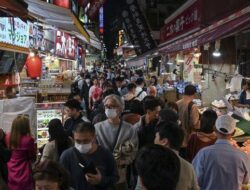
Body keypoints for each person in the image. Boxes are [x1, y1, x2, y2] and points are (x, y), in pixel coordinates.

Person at [135, 121, 199, 190]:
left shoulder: (149, 162)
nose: (154, 140)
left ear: (164, 141)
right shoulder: (188, 167)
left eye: (156, 137)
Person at [192, 115, 250, 190]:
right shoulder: (243, 157)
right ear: (233, 132)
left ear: (214, 129)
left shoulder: (203, 154)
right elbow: (245, 181)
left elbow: (196, 179)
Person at [95, 94, 138, 190]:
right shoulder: (97, 128)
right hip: (101, 174)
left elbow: (133, 151)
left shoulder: (129, 129)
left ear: (121, 108)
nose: (109, 108)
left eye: (113, 106)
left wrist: (121, 161)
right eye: (106, 106)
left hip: (120, 174)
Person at [60, 122, 118, 190]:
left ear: (94, 138)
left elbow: (115, 178)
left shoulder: (106, 154)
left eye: (86, 141)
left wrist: (101, 180)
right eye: (78, 141)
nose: (81, 144)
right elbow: (61, 181)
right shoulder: (67, 156)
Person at [6, 114, 36, 190]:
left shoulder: (8, 136)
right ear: (25, 127)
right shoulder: (29, 140)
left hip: (12, 166)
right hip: (24, 168)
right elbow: (32, 155)